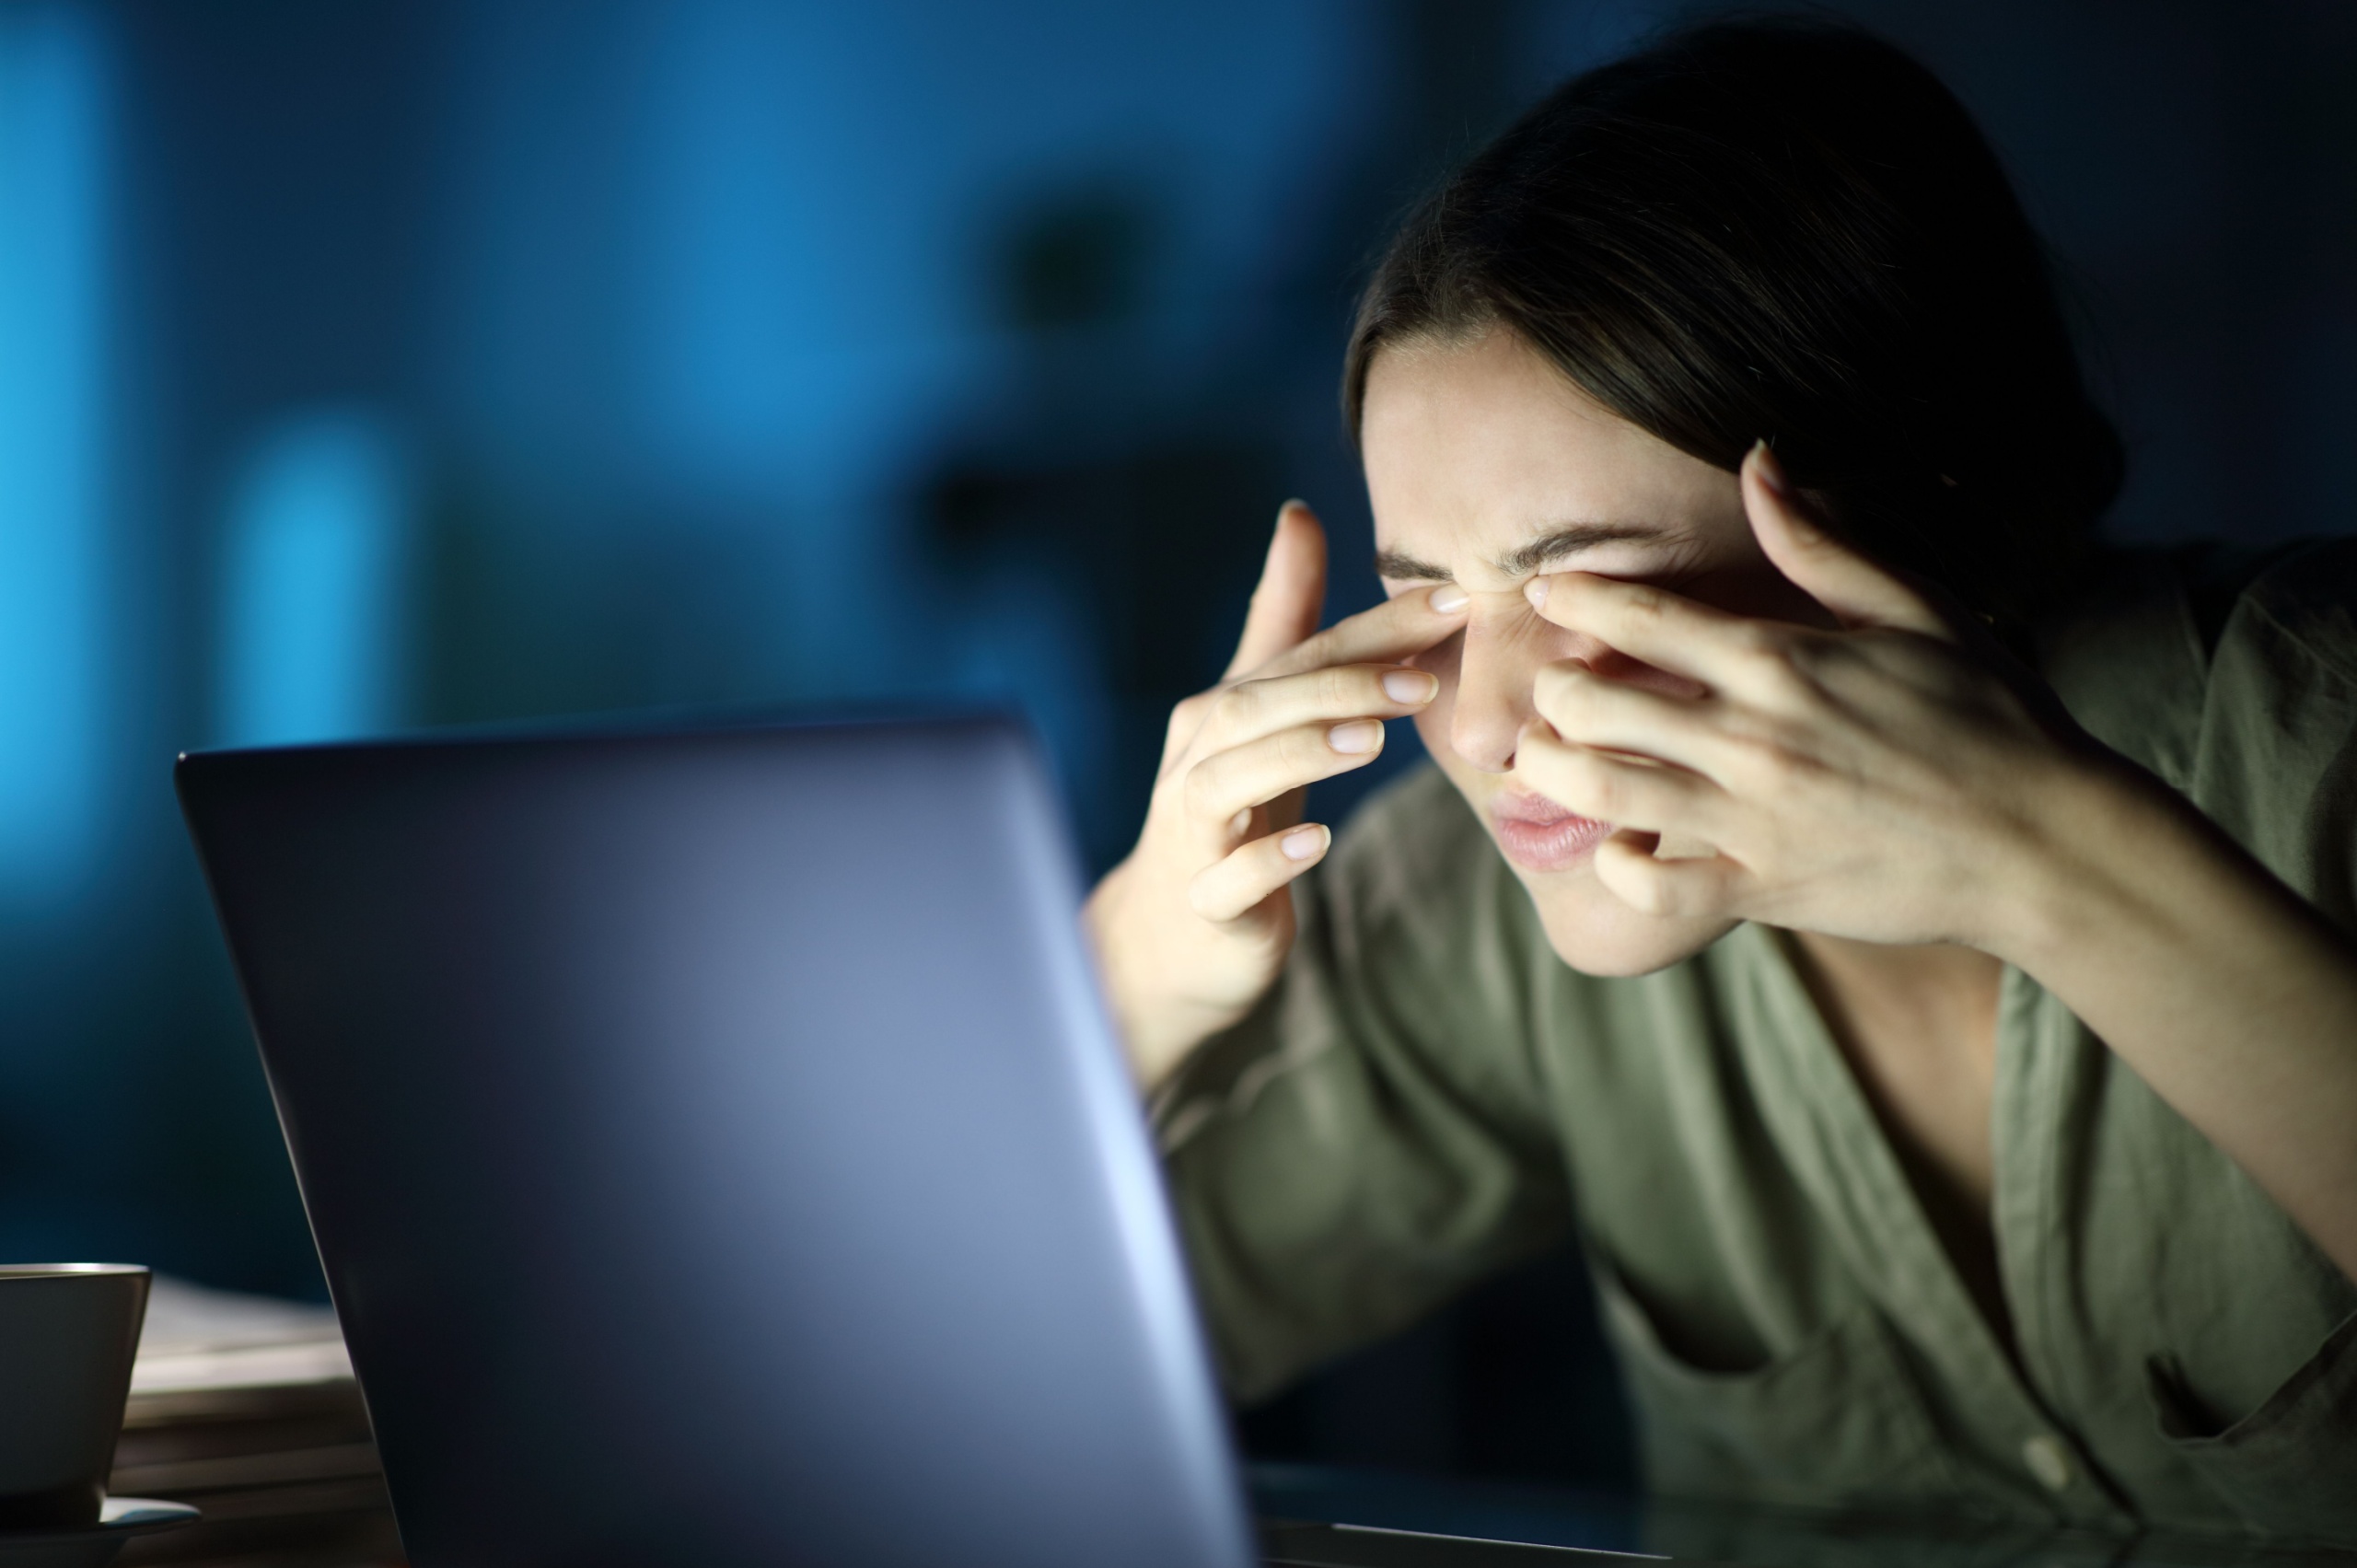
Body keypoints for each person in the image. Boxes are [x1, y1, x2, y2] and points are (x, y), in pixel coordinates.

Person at [1083, 17, 2357, 1540]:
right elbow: (967, 1395)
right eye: (1423, 597)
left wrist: (2041, 855)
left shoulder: (2310, 736)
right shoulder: (1493, 885)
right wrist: (1128, 978)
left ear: (1905, 517)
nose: (1481, 727)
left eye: (1589, 595)